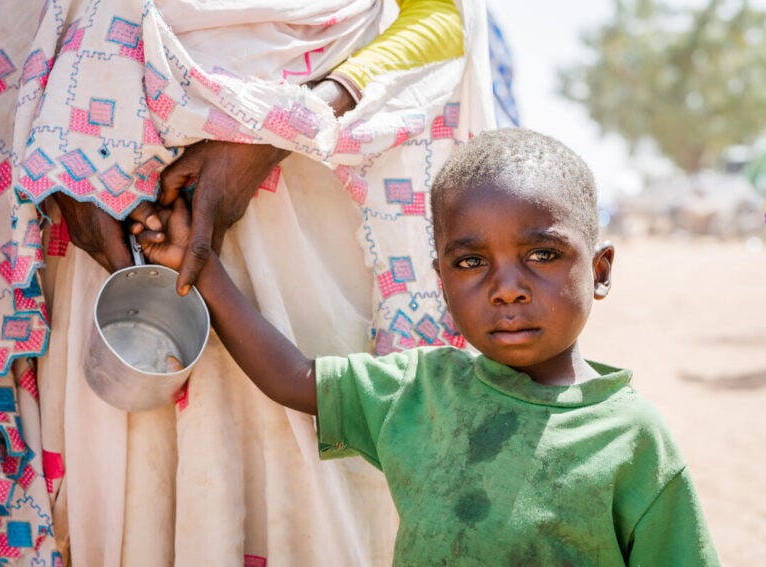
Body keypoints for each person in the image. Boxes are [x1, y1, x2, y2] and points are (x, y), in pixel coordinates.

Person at [0, 0, 498, 565]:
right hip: (95, 220)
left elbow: (442, 17)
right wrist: (64, 158)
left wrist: (282, 130)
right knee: (127, 496)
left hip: (316, 203)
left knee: (316, 490)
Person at [141, 127, 721, 565]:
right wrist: (204, 269)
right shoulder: (419, 391)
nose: (507, 290)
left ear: (599, 269)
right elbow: (291, 376)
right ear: (441, 280)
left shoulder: (633, 439)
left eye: (542, 255)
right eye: (472, 263)